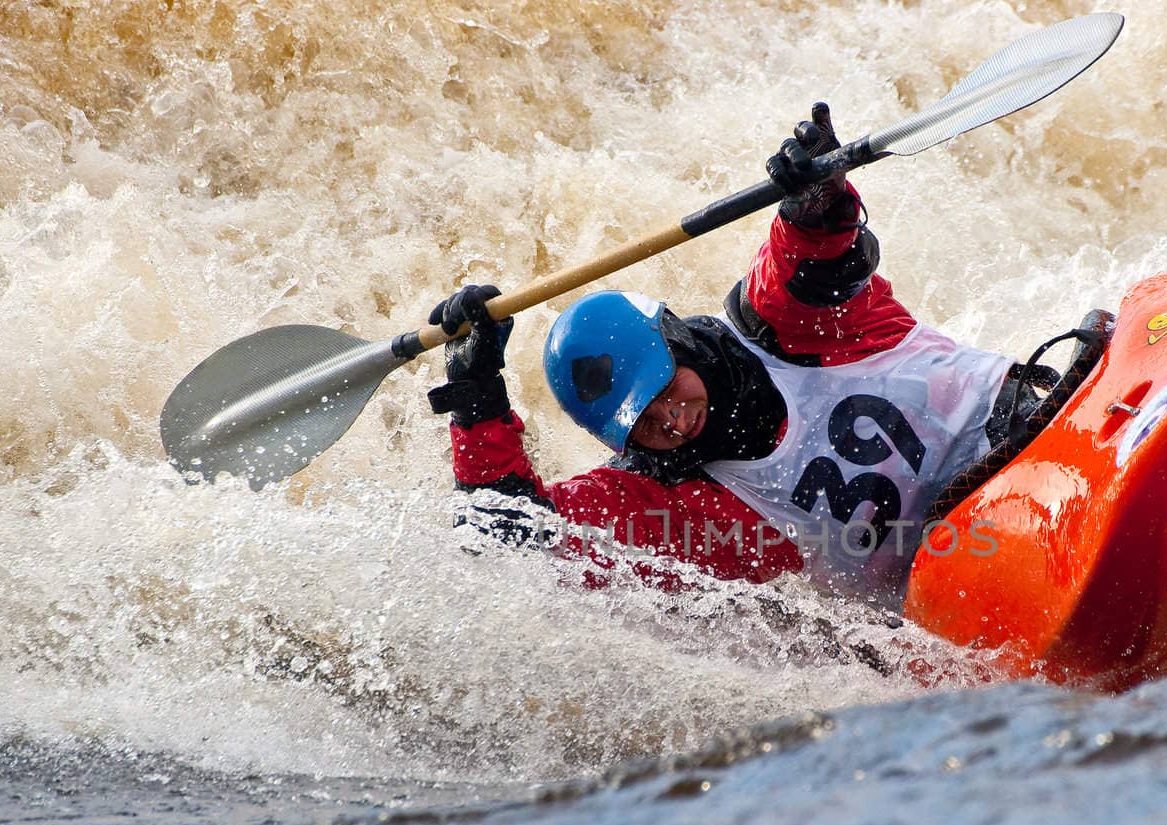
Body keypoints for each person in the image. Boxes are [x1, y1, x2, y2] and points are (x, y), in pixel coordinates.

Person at [427, 104, 1067, 606]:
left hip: (1037, 436)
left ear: (675, 342)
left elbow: (817, 253)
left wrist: (813, 192)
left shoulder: (783, 321)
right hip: (964, 571)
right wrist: (475, 399)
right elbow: (511, 541)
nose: (672, 422)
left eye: (663, 392)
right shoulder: (665, 503)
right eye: (646, 424)